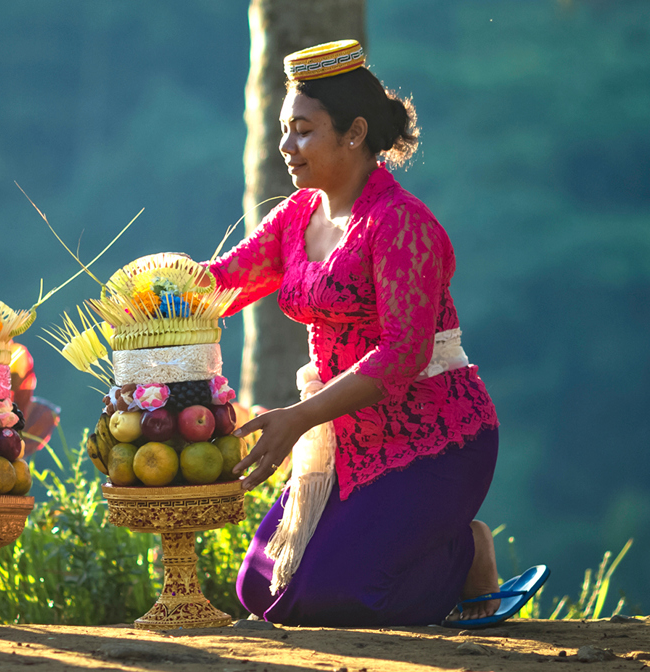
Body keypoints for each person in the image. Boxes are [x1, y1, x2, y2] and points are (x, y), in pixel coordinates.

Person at [210, 41, 507, 627]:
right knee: (260, 589)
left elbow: (403, 355)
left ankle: (467, 553)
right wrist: (150, 291)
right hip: (346, 439)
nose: (286, 146)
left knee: (337, 598)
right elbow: (222, 282)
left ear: (355, 133)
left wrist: (299, 418)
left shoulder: (401, 224)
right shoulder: (297, 216)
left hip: (432, 438)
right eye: (284, 129)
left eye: (303, 131)